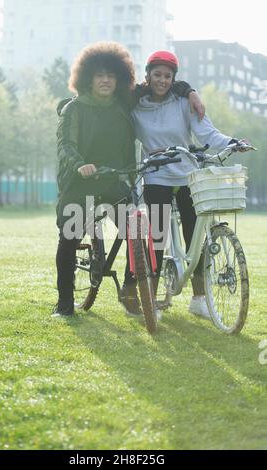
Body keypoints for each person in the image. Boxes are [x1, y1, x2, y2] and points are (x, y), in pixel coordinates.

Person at [54, 42, 205, 317]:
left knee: (138, 232)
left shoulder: (125, 101)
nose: (105, 80)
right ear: (87, 77)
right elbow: (65, 145)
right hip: (79, 182)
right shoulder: (74, 109)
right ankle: (64, 302)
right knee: (69, 236)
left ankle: (129, 289)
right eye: (99, 75)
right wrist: (80, 166)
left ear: (119, 78)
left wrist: (191, 92)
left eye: (111, 75)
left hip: (114, 182)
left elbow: (162, 83)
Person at [131, 50, 247, 319]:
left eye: (168, 76)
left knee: (197, 235)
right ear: (147, 76)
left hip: (187, 175)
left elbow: (207, 132)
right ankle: (154, 301)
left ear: (174, 79)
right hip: (156, 176)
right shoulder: (135, 108)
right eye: (157, 75)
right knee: (158, 238)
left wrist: (233, 143)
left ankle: (199, 299)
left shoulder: (184, 102)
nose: (162, 80)